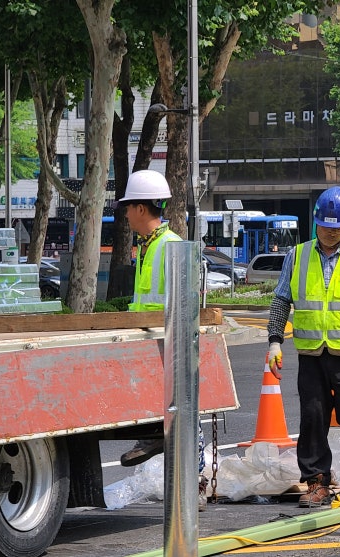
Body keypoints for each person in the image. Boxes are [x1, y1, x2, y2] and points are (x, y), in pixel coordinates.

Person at [266, 186, 340, 508]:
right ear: (315, 223)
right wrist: (274, 341)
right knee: (312, 418)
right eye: (325, 226)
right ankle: (317, 482)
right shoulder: (297, 255)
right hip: (311, 354)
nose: (330, 232)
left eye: (337, 226)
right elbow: (282, 299)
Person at [116, 169, 208, 511]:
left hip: (171, 346)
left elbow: (186, 303)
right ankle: (156, 443)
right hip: (153, 346)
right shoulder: (150, 247)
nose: (125, 214)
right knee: (170, 415)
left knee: (185, 417)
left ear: (142, 209)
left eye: (128, 208)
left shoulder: (170, 247)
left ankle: (194, 485)